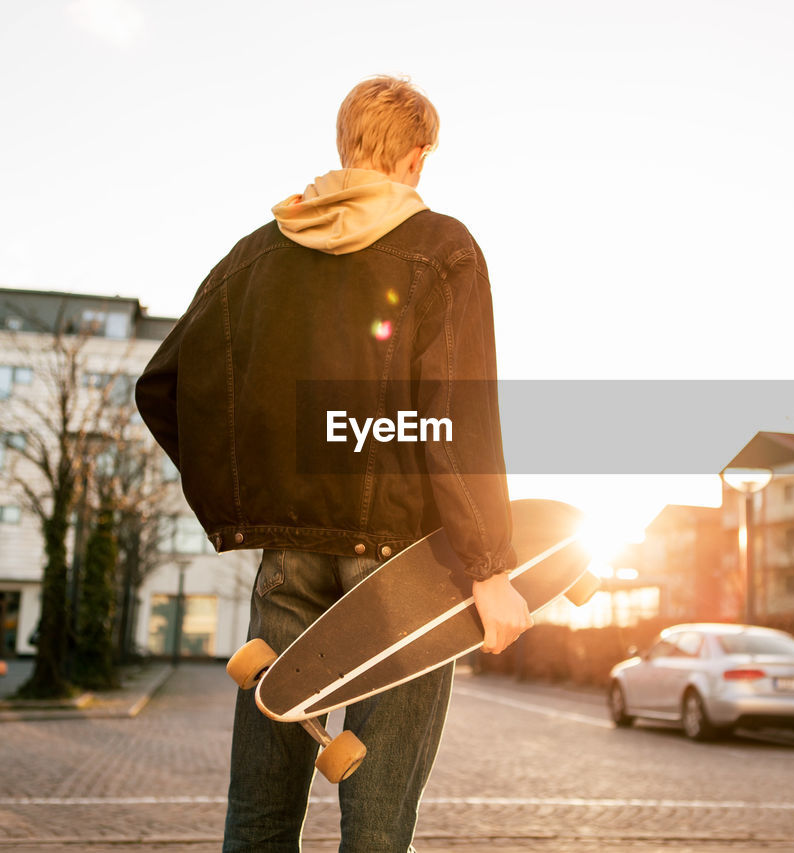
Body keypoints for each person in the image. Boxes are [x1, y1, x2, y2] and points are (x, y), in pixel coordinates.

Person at [135, 75, 530, 852]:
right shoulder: (444, 249)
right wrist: (489, 566)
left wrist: (247, 496)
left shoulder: (254, 256)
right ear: (417, 158)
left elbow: (162, 388)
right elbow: (456, 417)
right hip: (407, 575)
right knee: (378, 828)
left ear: (344, 145)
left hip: (289, 565)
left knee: (258, 818)